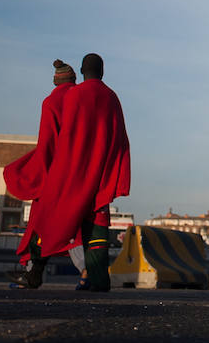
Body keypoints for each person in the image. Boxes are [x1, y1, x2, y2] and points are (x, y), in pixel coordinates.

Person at [24, 53, 131, 293]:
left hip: (73, 174)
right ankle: (99, 281)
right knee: (97, 229)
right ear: (103, 71)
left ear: (82, 71)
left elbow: (64, 140)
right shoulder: (112, 97)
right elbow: (121, 139)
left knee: (50, 220)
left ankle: (33, 273)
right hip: (101, 177)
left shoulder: (74, 96)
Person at [5, 59, 78, 289]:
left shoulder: (51, 102)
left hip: (57, 171)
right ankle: (89, 273)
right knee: (78, 222)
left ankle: (33, 273)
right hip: (81, 170)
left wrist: (40, 174)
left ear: (56, 81)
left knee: (42, 223)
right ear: (73, 79)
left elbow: (47, 143)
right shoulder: (82, 99)